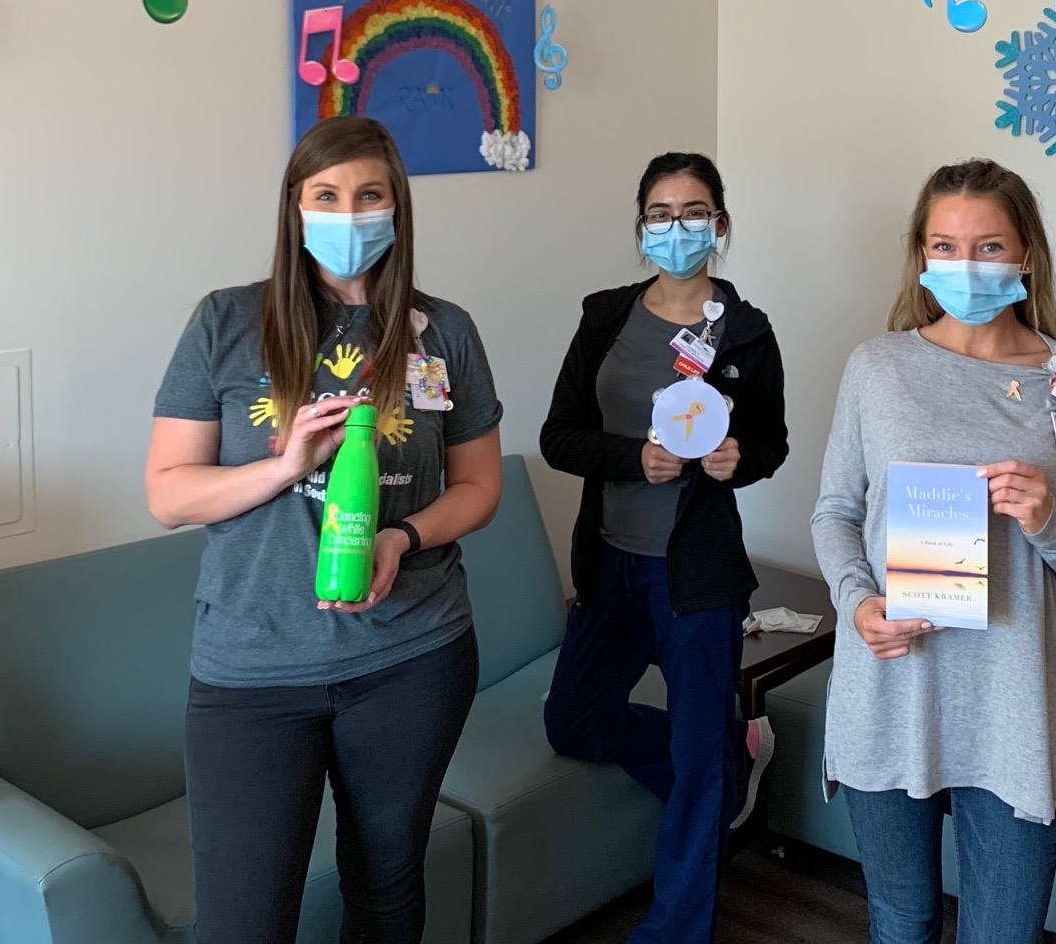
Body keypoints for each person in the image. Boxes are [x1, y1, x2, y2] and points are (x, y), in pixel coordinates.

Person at [146, 117, 503, 944]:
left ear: (397, 207)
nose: (350, 214)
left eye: (369, 194)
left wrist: (400, 538)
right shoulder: (226, 323)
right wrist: (281, 464)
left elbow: (480, 486)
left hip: (413, 655)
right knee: (243, 921)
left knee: (385, 892)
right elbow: (168, 493)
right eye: (328, 196)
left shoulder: (441, 331)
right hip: (253, 670)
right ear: (295, 208)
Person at [811, 158, 1056, 944]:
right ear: (921, 254)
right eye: (944, 245)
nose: (965, 263)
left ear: (1026, 257)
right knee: (899, 920)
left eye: (988, 246)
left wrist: (1048, 516)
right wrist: (858, 603)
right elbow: (835, 513)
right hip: (890, 687)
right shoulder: (877, 367)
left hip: (1013, 708)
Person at [541, 152, 789, 944]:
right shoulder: (605, 316)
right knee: (574, 720)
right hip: (610, 563)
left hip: (697, 579)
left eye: (692, 211)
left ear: (718, 224)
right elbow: (558, 435)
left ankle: (674, 927)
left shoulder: (746, 333)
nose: (675, 227)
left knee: (695, 762)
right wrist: (631, 457)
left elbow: (772, 443)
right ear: (640, 224)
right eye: (659, 211)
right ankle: (727, 761)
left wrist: (736, 459)